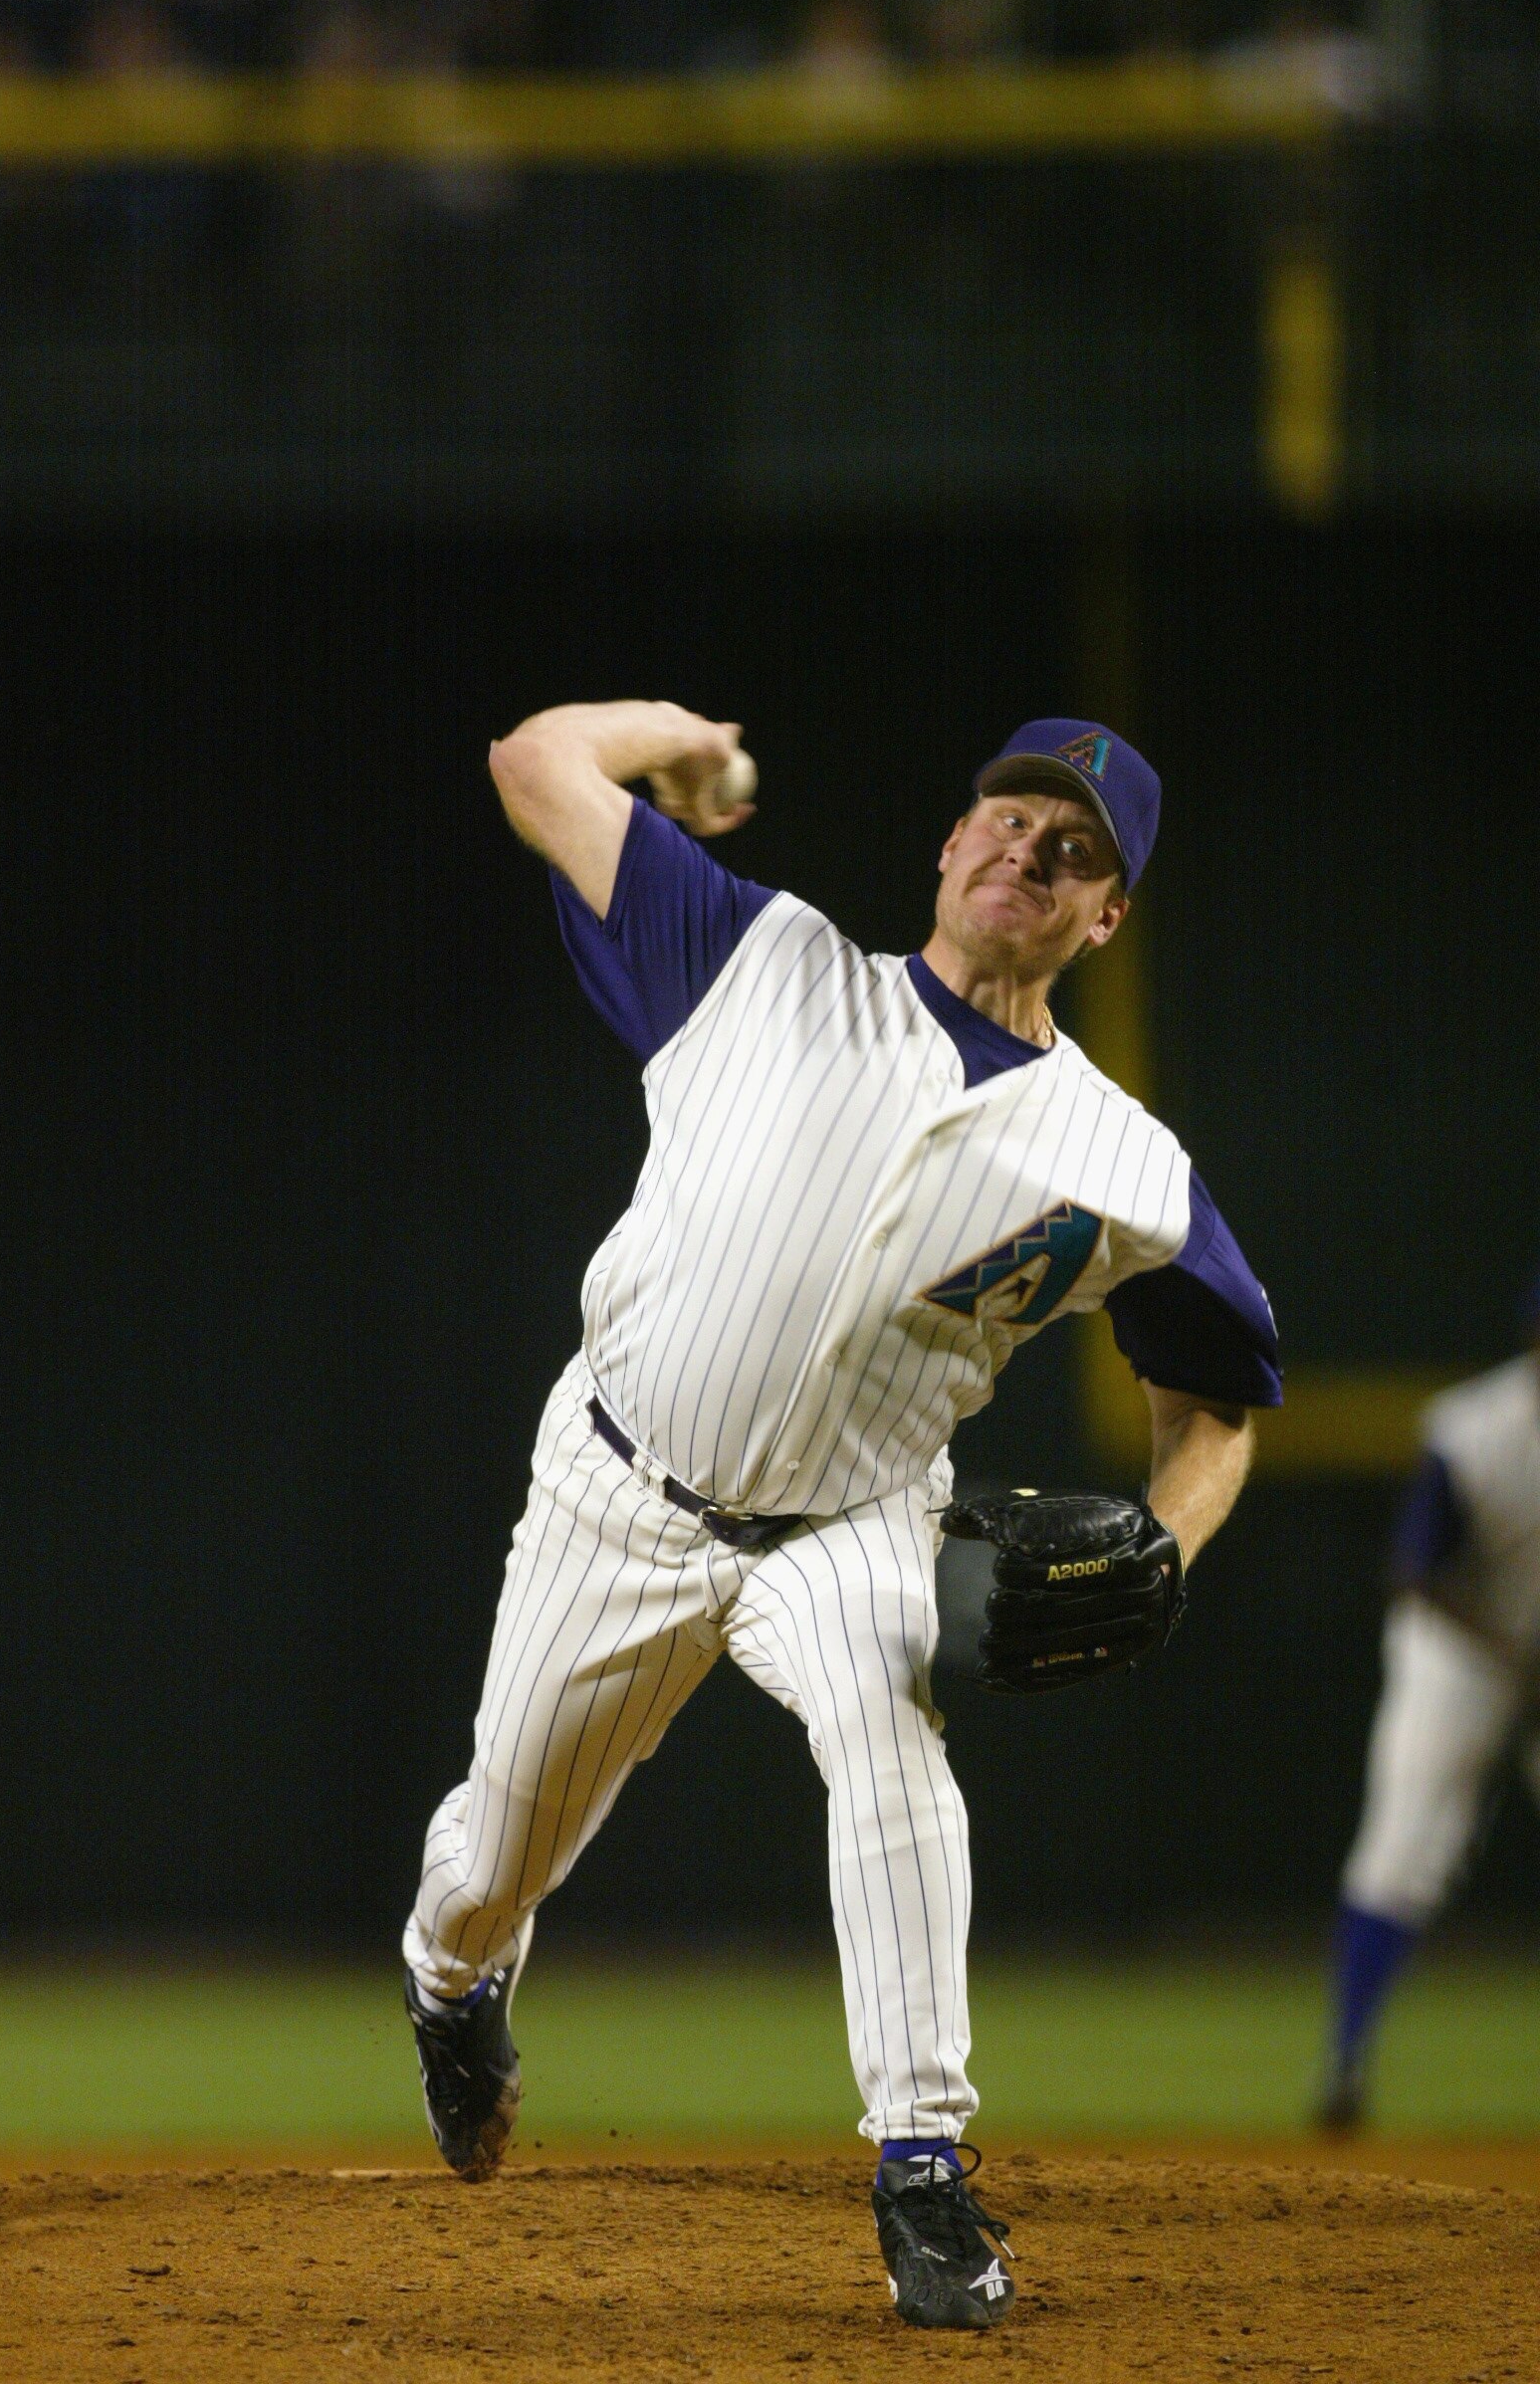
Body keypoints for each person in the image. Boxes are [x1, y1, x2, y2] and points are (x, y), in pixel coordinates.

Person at [403, 700, 1281, 2331]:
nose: (1030, 845)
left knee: (891, 1736)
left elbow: (1212, 1399)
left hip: (854, 1521)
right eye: (1008, 814)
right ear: (950, 843)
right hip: (618, 1487)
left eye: (1073, 846)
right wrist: (688, 743)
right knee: (495, 1857)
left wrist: (1166, 1535)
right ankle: (452, 1976)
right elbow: (532, 761)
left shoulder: (1119, 1162)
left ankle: (922, 2167)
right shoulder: (757, 959)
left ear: (1105, 914)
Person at [1319, 1284, 1540, 2130]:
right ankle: (1346, 2063)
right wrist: (1509, 1650)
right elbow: (1413, 1572)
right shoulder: (1475, 1427)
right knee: (1403, 1849)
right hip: (1460, 1650)